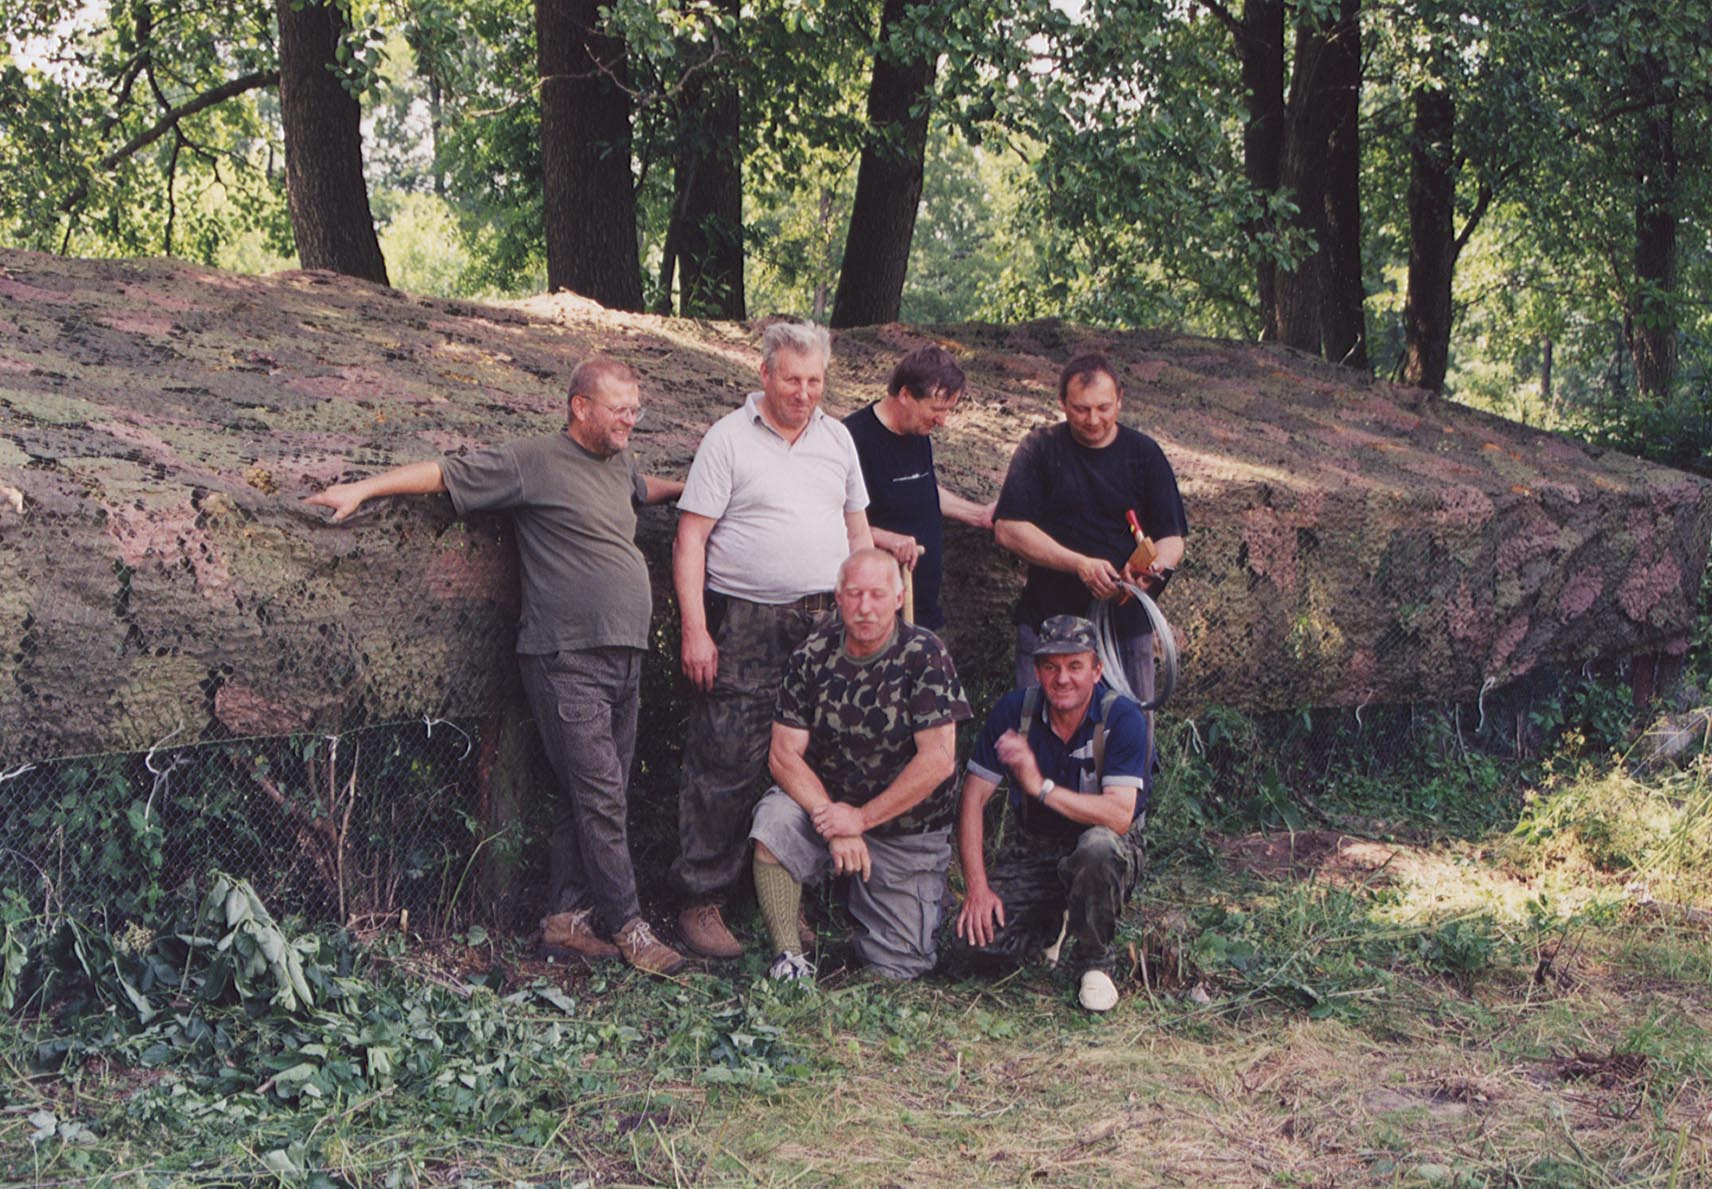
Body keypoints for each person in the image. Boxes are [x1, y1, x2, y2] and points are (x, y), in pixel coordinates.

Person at [304, 357, 688, 976]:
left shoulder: (619, 463)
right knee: (600, 798)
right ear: (580, 407)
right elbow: (445, 474)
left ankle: (564, 923)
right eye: (619, 409)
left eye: (635, 409)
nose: (630, 420)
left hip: (625, 656)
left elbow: (645, 489)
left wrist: (697, 491)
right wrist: (362, 489)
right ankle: (630, 927)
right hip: (567, 658)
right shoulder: (533, 461)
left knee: (596, 793)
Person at [671, 321, 905, 958]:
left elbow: (858, 532)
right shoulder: (727, 439)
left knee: (816, 754)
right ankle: (701, 899)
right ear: (765, 374)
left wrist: (870, 613)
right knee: (727, 756)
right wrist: (695, 629)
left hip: (827, 622)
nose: (804, 393)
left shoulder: (838, 440)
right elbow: (690, 538)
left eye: (815, 381)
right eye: (793, 379)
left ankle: (785, 891)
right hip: (746, 621)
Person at [749, 548, 971, 982]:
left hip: (905, 827)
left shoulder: (925, 654)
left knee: (899, 968)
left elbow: (938, 761)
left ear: (898, 598)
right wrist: (832, 820)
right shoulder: (811, 655)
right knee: (774, 819)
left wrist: (861, 820)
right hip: (828, 810)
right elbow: (783, 754)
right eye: (854, 594)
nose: (865, 607)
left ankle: (907, 901)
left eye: (876, 594)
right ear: (838, 597)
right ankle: (789, 959)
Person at [953, 615, 1151, 1013]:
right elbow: (972, 799)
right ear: (1038, 670)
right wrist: (977, 889)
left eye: (1075, 666)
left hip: (1104, 851)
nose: (1062, 679)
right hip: (1037, 848)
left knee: (1097, 847)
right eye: (1051, 666)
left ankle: (1095, 962)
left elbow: (1118, 816)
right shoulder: (1015, 712)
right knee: (970, 947)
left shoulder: (1122, 718)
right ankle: (1051, 923)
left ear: (1096, 670)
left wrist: (1040, 787)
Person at [993, 353, 1187, 705]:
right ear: (1062, 403)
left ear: (1120, 400)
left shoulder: (1144, 454)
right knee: (1038, 734)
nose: (1093, 419)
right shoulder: (1039, 449)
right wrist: (1079, 564)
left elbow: (1172, 537)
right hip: (1049, 625)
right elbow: (1008, 529)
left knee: (1128, 732)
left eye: (1103, 408)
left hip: (1125, 629)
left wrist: (1153, 567)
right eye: (1081, 409)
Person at [843, 345, 996, 631]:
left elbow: (922, 490)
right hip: (877, 613)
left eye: (948, 410)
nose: (943, 421)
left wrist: (978, 515)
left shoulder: (917, 431)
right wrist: (884, 538)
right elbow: (830, 518)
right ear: (905, 395)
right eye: (936, 409)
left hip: (922, 607)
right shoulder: (852, 439)